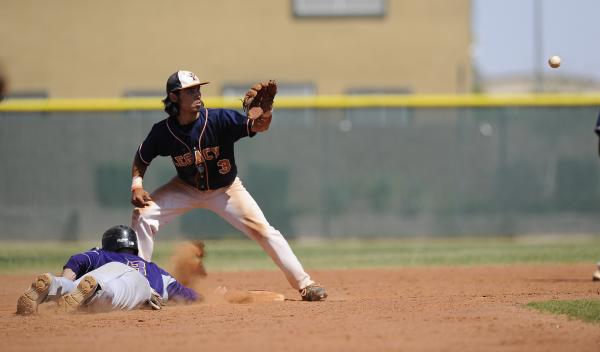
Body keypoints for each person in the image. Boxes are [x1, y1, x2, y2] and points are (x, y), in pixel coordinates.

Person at [130, 70, 327, 301]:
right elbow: (142, 157)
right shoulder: (163, 132)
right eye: (190, 90)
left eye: (198, 88)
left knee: (265, 231)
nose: (197, 93)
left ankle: (305, 284)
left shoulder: (218, 119)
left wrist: (266, 112)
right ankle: (139, 286)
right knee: (143, 216)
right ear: (174, 97)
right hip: (184, 188)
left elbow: (258, 126)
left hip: (226, 190)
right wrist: (137, 185)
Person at [16, 225, 198, 315]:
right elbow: (185, 294)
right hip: (139, 285)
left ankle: (53, 285)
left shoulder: (100, 254)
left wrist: (64, 282)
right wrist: (209, 296)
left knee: (79, 286)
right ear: (134, 246)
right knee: (112, 292)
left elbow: (77, 260)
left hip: (102, 273)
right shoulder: (152, 268)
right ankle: (95, 292)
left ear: (108, 244)